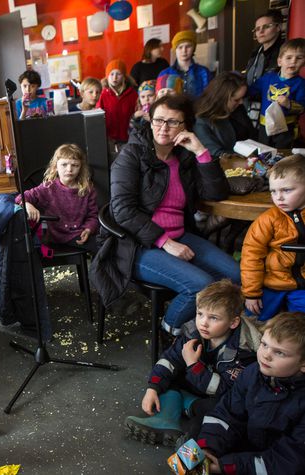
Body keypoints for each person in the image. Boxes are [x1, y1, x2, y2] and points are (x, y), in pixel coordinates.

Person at [90, 94, 241, 336]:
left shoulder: (184, 157)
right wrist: (165, 242)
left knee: (235, 275)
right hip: (137, 245)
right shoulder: (131, 156)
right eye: (158, 120)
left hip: (181, 236)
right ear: (149, 121)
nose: (164, 127)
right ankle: (169, 330)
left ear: (186, 127)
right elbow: (123, 211)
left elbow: (215, 194)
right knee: (199, 286)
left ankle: (202, 324)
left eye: (173, 122)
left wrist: (201, 151)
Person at [125, 279, 260, 446]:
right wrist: (152, 388)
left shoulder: (244, 351)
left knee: (222, 409)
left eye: (214, 318)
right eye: (200, 314)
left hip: (217, 398)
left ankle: (191, 435)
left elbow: (224, 390)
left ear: (233, 322)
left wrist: (193, 365)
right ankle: (166, 421)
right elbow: (169, 360)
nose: (203, 322)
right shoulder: (193, 332)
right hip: (197, 384)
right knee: (167, 376)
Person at [198, 311, 305, 474]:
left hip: (278, 465)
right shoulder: (253, 372)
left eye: (280, 352)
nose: (266, 355)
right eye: (264, 344)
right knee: (201, 428)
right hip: (252, 446)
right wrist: (208, 448)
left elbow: (289, 459)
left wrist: (227, 467)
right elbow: (228, 413)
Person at [241, 155, 305, 321]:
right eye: (274, 191)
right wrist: (251, 293)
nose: (279, 197)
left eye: (287, 190)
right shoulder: (267, 220)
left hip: (302, 287)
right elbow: (251, 256)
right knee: (254, 319)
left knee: (299, 326)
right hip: (270, 285)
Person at [15, 143, 99, 254]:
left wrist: (88, 229)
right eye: (64, 164)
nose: (69, 169)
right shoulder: (48, 187)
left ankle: (96, 271)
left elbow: (92, 216)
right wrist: (27, 205)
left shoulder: (87, 189)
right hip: (55, 236)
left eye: (75, 165)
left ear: (81, 167)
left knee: (105, 245)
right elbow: (20, 197)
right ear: (56, 166)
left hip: (78, 233)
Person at [249, 38, 305, 149]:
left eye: (299, 58)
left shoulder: (301, 84)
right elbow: (250, 91)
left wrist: (289, 104)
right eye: (288, 57)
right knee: (263, 153)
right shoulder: (267, 78)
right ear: (279, 61)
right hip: (264, 126)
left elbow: (303, 108)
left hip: (286, 128)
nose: (293, 61)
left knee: (283, 156)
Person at [194, 72, 256, 160]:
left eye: (242, 98)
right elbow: (215, 152)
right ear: (222, 98)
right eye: (236, 100)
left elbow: (252, 136)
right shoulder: (202, 119)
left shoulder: (238, 109)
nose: (241, 102)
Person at [245, 10, 285, 127]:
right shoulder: (255, 52)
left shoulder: (285, 51)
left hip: (273, 109)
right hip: (251, 104)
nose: (260, 31)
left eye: (266, 27)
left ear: (278, 27)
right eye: (257, 29)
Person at [97, 59, 138, 152]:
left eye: (118, 74)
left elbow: (136, 114)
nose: (114, 77)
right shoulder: (102, 94)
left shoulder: (133, 94)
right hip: (109, 139)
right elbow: (98, 116)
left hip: (129, 138)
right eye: (111, 74)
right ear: (107, 76)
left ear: (124, 76)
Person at [157, 30, 212, 98]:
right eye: (180, 47)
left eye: (188, 46)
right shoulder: (165, 73)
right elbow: (160, 99)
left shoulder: (203, 72)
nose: (184, 51)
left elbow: (209, 98)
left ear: (193, 48)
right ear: (175, 50)